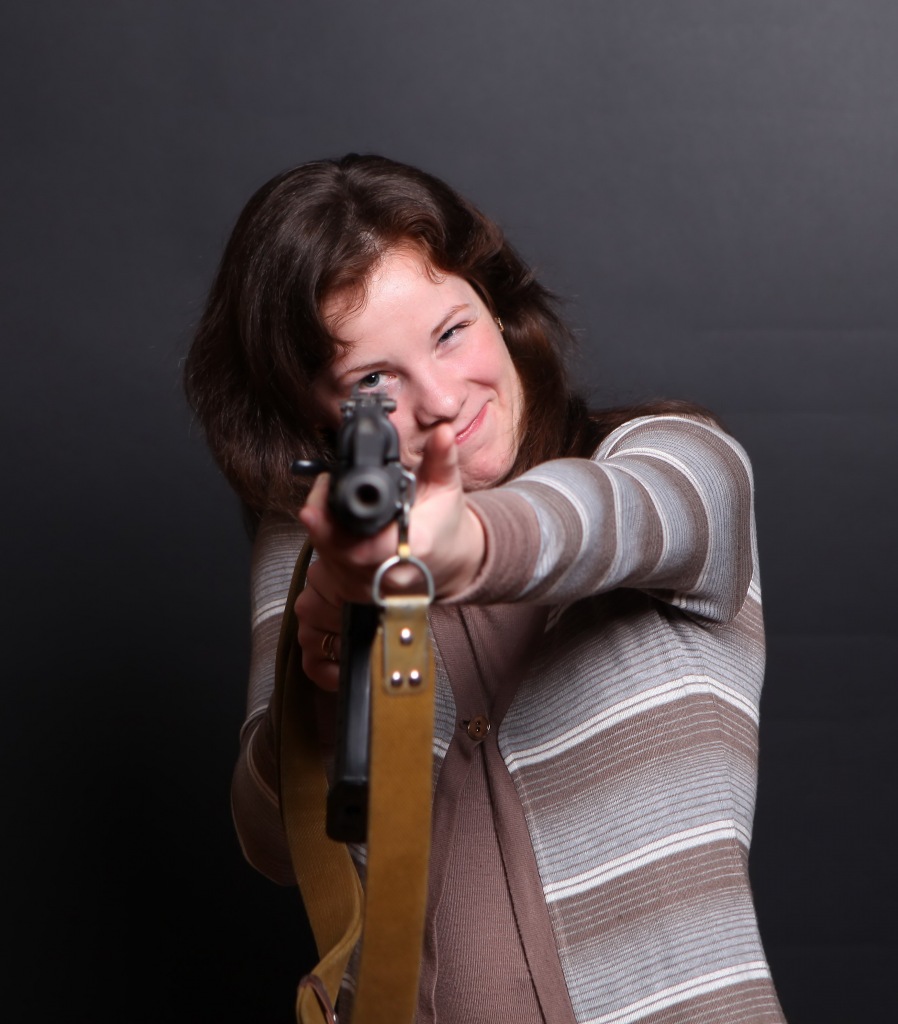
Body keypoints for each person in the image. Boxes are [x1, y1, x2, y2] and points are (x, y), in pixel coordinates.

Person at [184, 153, 786, 1023]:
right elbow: (274, 842)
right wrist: (320, 691)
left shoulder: (675, 463)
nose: (438, 399)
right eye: (372, 381)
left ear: (496, 305)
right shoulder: (313, 548)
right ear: (310, 416)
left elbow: (605, 516)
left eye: (449, 332)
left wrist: (461, 546)